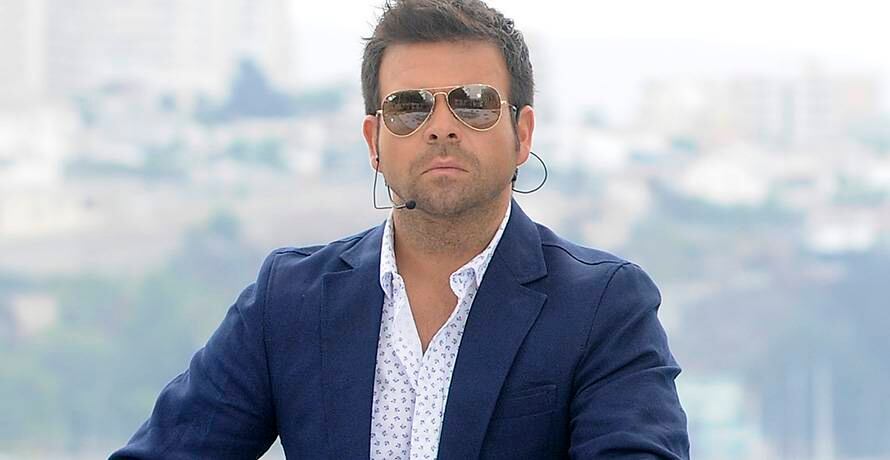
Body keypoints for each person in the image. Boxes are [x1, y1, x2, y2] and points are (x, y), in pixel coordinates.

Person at [111, 0, 689, 458]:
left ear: (523, 134)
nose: (441, 127)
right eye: (409, 108)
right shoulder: (290, 301)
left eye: (474, 103)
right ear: (374, 142)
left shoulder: (601, 307)